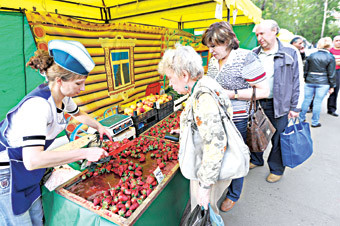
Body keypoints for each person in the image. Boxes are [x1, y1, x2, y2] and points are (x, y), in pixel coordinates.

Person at [0, 40, 111, 225]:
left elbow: (79, 114)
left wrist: (99, 126)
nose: (82, 89)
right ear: (59, 81)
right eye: (79, 83)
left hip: (27, 172)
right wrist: (85, 152)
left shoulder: (62, 98)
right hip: (8, 173)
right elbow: (32, 160)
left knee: (37, 219)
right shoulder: (38, 106)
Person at [158, 43, 234, 215]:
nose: (170, 84)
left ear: (184, 75)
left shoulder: (204, 98)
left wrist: (205, 187)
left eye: (171, 78)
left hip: (209, 171)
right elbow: (208, 124)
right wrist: (186, 130)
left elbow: (215, 144)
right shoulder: (205, 83)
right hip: (210, 167)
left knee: (205, 213)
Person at [201, 21, 269, 212]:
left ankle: (233, 195)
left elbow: (264, 90)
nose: (210, 51)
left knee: (237, 158)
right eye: (208, 46)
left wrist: (232, 94)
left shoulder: (245, 58)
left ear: (228, 41)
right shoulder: (214, 60)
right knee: (220, 157)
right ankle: (219, 188)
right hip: (219, 118)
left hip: (238, 119)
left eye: (214, 46)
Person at [252, 19, 300, 183]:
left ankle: (276, 169)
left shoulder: (290, 52)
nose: (259, 38)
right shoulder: (254, 53)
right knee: (256, 133)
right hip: (258, 103)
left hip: (280, 105)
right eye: (257, 34)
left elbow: (297, 80)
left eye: (262, 34)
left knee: (278, 138)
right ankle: (256, 159)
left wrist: (295, 107)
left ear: (274, 31)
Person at [299, 37, 336, 127]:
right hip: (323, 82)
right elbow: (331, 73)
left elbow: (305, 69)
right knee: (317, 102)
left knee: (306, 100)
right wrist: (332, 86)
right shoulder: (330, 57)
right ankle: (314, 122)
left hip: (310, 81)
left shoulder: (311, 55)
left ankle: (300, 119)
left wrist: (306, 78)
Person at [327, 35, 340, 117]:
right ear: (333, 42)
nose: (338, 42)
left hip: (338, 72)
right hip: (327, 72)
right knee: (319, 90)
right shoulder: (329, 51)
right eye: (337, 40)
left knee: (335, 91)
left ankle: (331, 109)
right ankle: (311, 106)